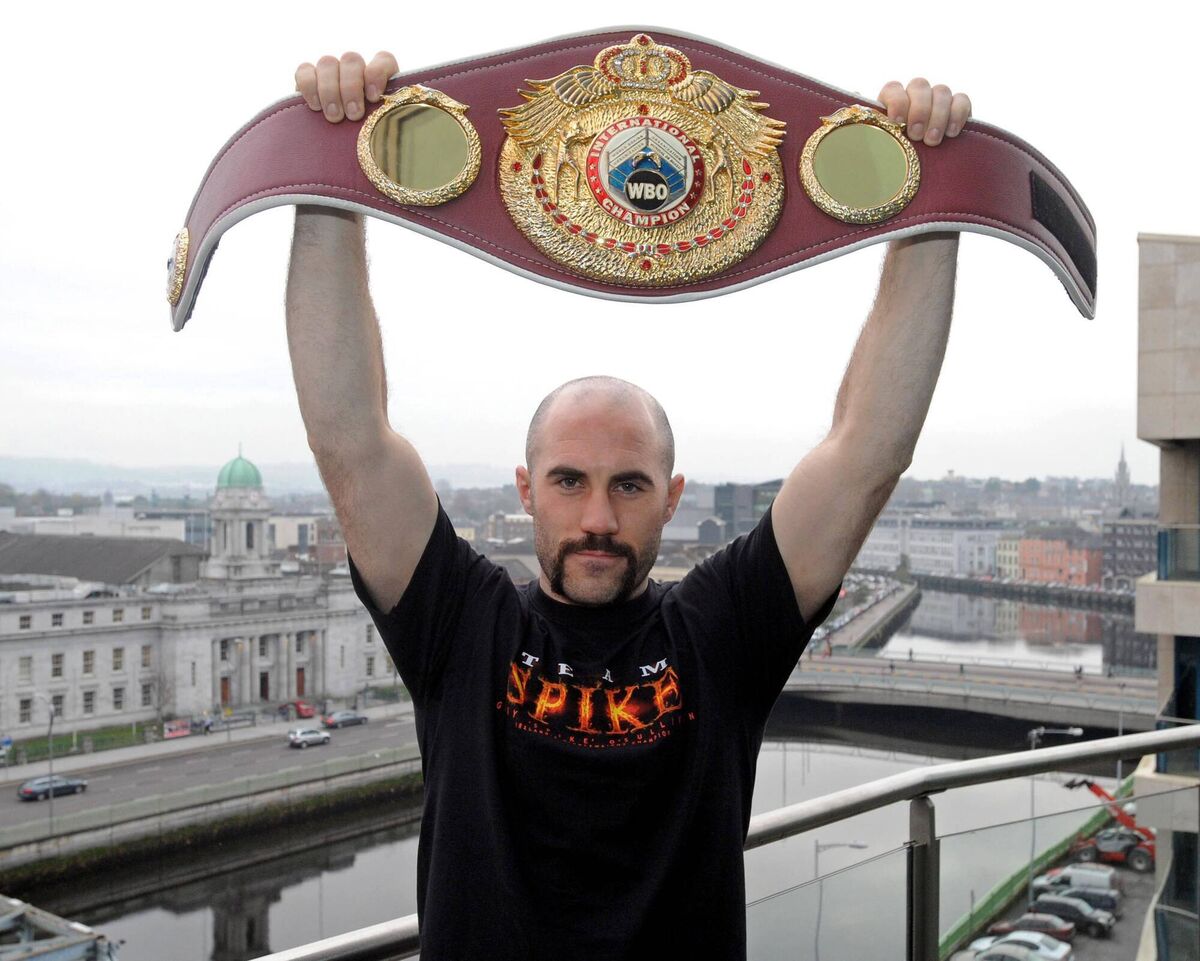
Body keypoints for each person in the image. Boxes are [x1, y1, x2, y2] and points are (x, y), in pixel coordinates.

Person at [288, 51, 970, 961]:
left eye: (630, 484)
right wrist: (330, 173)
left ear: (673, 500)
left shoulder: (721, 631)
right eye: (569, 481)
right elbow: (349, 437)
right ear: (527, 490)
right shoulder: (461, 623)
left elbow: (866, 453)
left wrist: (931, 207)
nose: (598, 517)